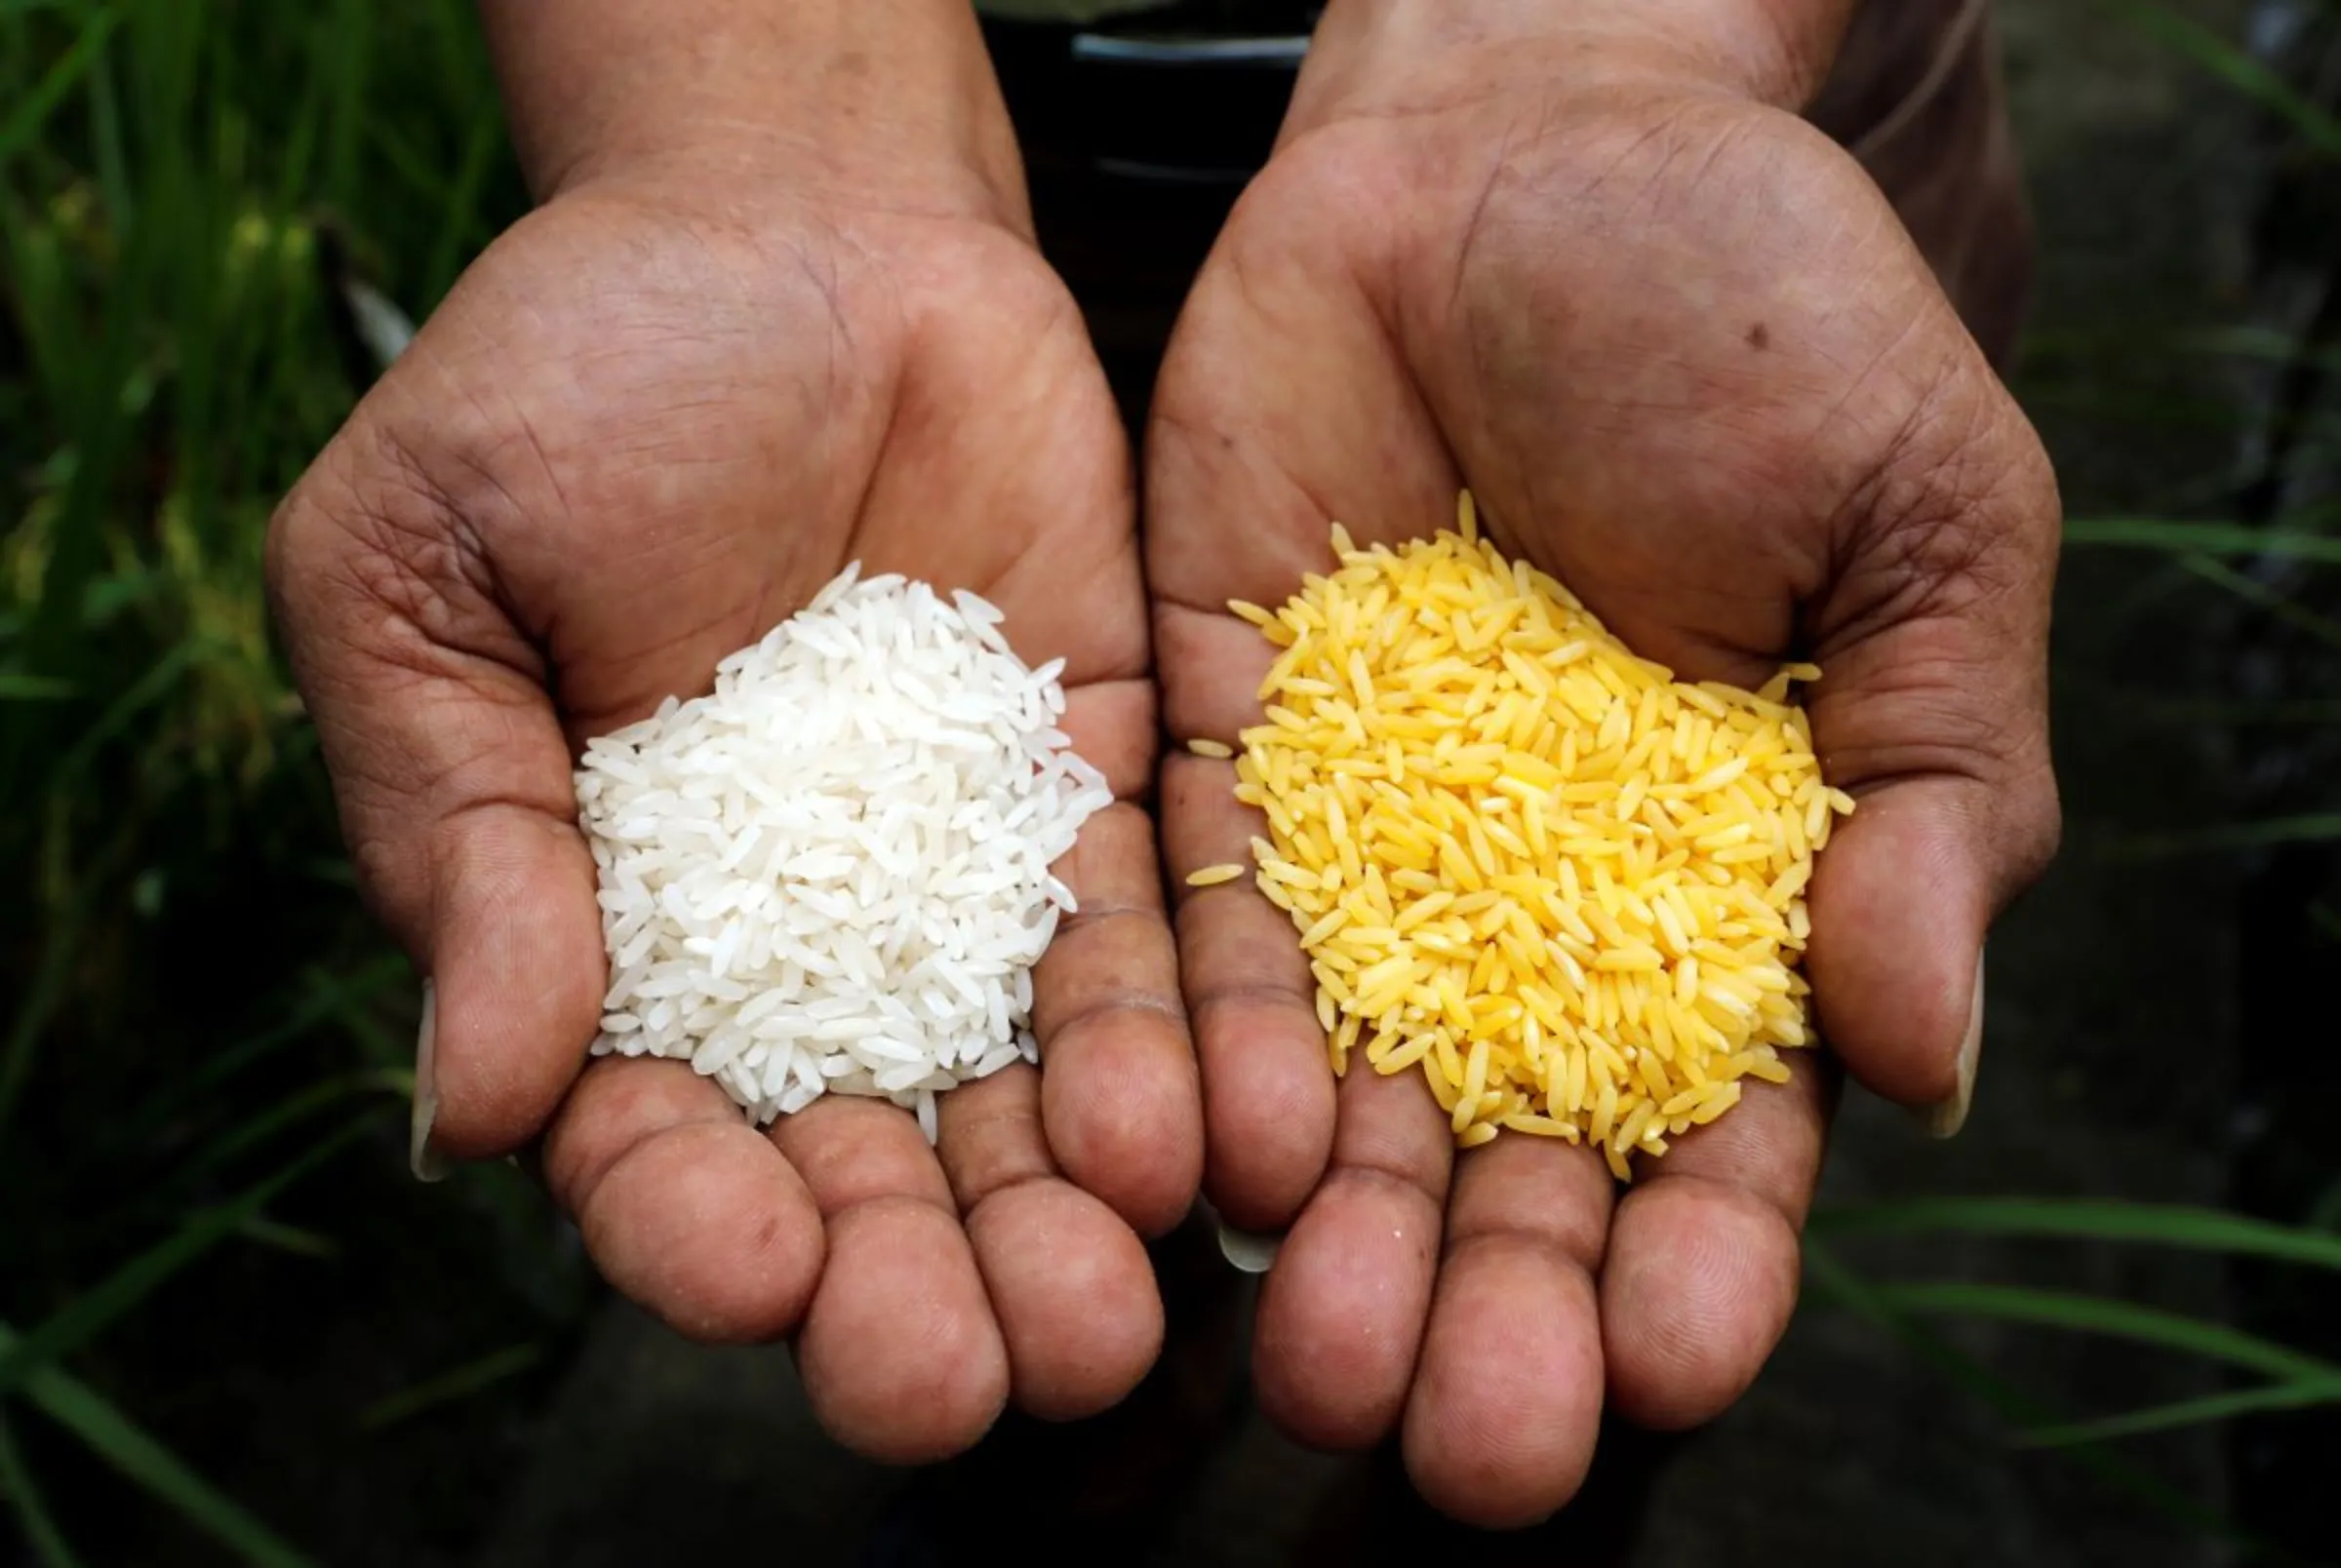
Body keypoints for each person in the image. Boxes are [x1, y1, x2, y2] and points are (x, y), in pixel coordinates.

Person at [266, 0, 2060, 1534]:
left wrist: (1582, 51)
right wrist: (739, 122)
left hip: (1665, 296)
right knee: (1063, 1229)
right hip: (905, 259)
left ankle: (1489, 1531)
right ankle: (1070, 1484)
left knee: (1552, 1317)